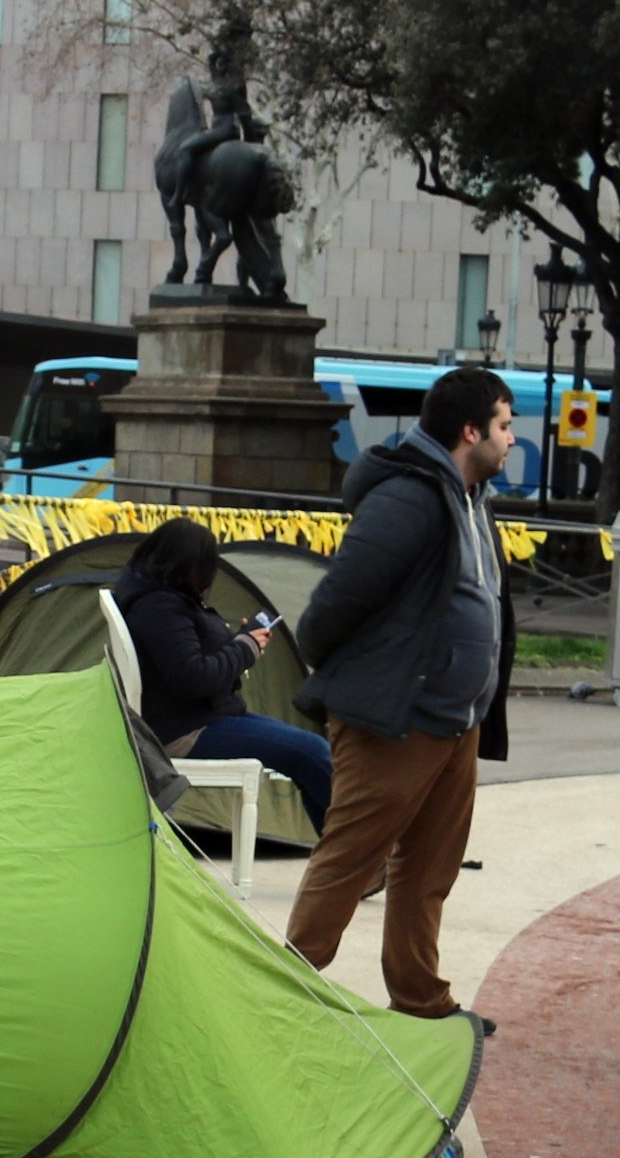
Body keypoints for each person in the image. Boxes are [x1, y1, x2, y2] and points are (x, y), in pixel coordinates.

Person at [290, 365, 519, 1019]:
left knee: (428, 872)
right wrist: (373, 684)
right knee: (350, 864)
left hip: (455, 721)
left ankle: (419, 996)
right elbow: (327, 614)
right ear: (470, 430)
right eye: (504, 426)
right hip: (398, 722)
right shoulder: (409, 499)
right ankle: (286, 989)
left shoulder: (470, 497)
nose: (511, 440)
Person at [117, 518, 332, 826]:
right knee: (312, 753)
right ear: (188, 565)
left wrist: (235, 645)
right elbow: (193, 678)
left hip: (201, 718)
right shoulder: (159, 606)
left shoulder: (155, 597)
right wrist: (244, 649)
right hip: (186, 731)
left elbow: (185, 663)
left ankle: (347, 861)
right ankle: (355, 861)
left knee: (312, 755)